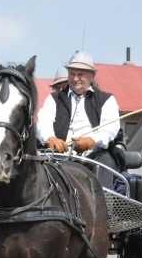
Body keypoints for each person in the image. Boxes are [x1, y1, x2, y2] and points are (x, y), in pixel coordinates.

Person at [36, 51, 120, 188]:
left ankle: (105, 206)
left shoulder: (107, 100)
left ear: (92, 75)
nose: (75, 79)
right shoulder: (53, 99)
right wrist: (51, 139)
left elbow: (109, 129)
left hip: (93, 157)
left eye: (80, 74)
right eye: (72, 74)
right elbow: (43, 122)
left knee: (104, 163)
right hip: (58, 156)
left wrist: (91, 141)